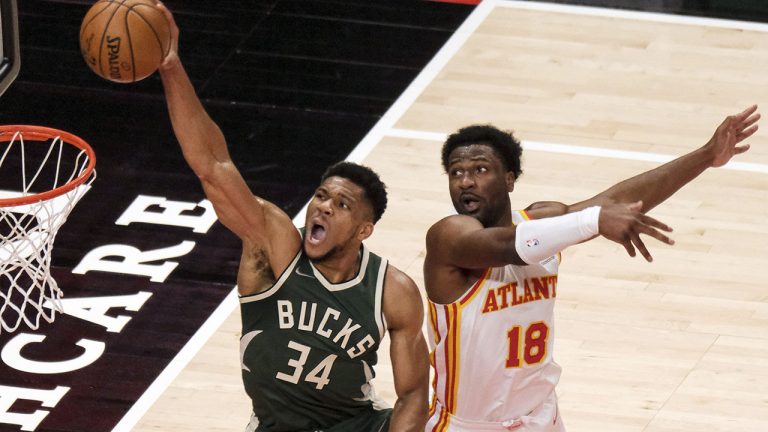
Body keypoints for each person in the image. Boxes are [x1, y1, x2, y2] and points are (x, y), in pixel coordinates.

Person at [154, 3, 429, 431]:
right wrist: (170, 66)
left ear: (364, 229)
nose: (322, 205)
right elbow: (212, 164)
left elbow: (413, 392)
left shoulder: (392, 290)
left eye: (341, 204)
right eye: (321, 195)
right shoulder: (275, 244)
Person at [423, 106, 760, 432]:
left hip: (540, 417)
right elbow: (508, 247)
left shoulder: (543, 222)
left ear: (509, 179)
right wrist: (595, 220)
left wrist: (705, 155)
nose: (466, 181)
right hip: (470, 425)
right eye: (456, 173)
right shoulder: (448, 236)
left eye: (480, 170)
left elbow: (619, 200)